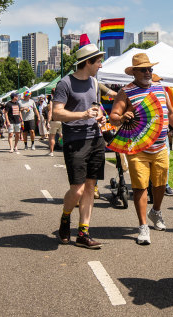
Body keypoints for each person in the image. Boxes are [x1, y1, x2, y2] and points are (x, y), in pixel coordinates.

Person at [110, 53, 173, 246]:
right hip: (138, 147)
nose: (148, 72)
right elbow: (113, 116)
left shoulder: (160, 89)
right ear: (134, 72)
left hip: (161, 146)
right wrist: (122, 117)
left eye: (150, 69)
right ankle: (143, 226)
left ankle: (156, 211)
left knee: (160, 185)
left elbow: (170, 114)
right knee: (140, 187)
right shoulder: (126, 92)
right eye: (144, 69)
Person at [53, 44, 107, 249]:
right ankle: (66, 217)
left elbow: (96, 107)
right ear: (88, 62)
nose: (100, 65)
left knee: (91, 188)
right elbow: (57, 113)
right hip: (75, 141)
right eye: (98, 61)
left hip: (95, 138)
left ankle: (83, 232)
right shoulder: (65, 83)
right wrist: (82, 115)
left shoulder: (94, 83)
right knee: (77, 190)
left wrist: (99, 116)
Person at [47, 88, 63, 156]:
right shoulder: (62, 100)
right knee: (61, 135)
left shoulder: (52, 101)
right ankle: (64, 147)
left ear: (52, 94)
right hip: (62, 119)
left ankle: (51, 152)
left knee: (52, 136)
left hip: (54, 119)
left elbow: (50, 111)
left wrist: (48, 121)